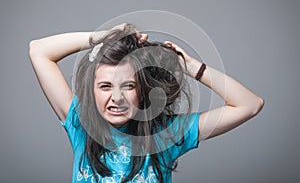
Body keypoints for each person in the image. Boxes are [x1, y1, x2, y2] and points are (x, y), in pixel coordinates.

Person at [29, 23, 264, 183]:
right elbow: (38, 50)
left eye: (128, 86)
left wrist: (192, 67)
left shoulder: (167, 135)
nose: (117, 97)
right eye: (105, 86)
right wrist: (99, 38)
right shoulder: (80, 124)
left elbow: (250, 104)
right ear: (92, 92)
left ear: (142, 92)